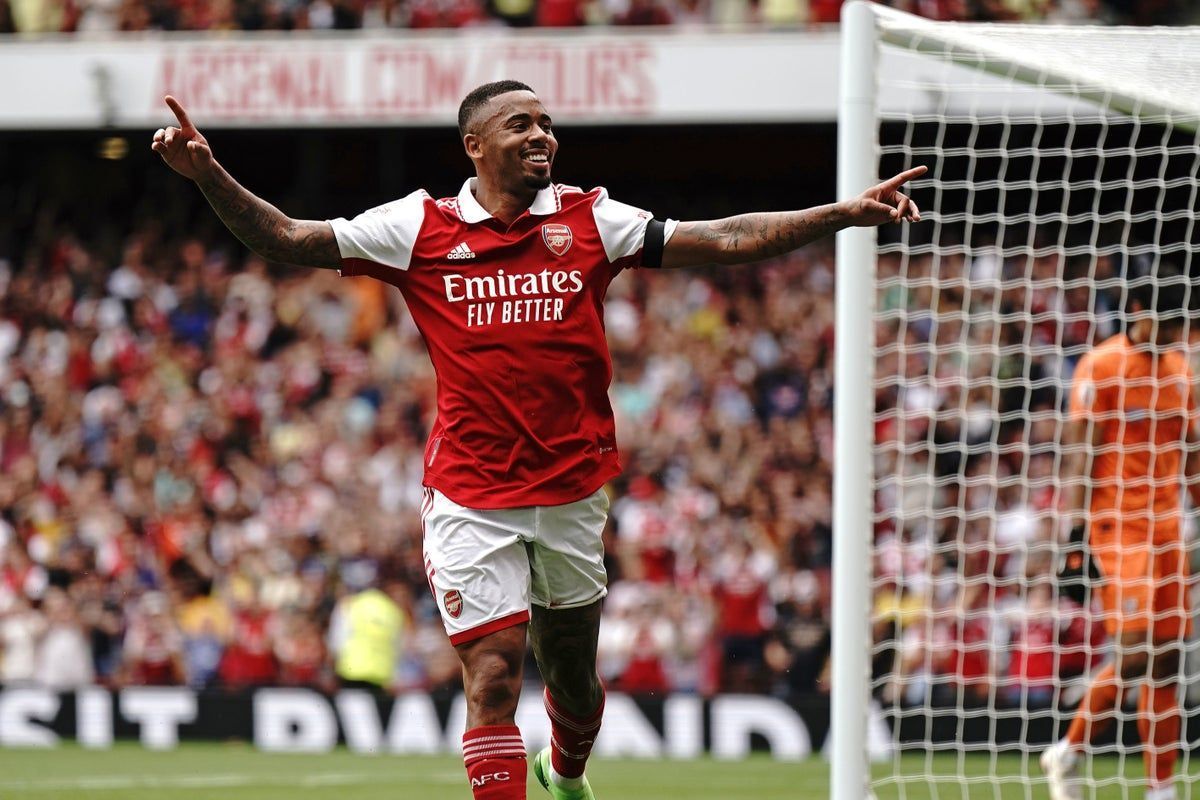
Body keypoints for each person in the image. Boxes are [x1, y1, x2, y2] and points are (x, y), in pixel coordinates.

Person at [152, 80, 924, 800]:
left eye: (547, 124)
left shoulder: (591, 219)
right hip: (470, 493)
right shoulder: (418, 227)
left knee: (574, 681)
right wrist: (208, 175)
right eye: (520, 124)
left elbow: (720, 240)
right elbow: (289, 236)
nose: (541, 136)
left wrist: (838, 214)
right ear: (474, 145)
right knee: (491, 676)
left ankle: (564, 771)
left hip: (571, 491)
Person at [1041, 265, 1199, 800]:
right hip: (1118, 531)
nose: (1177, 336)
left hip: (1168, 532)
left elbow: (1193, 459)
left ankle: (1161, 789)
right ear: (1137, 312)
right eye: (1169, 324)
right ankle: (1070, 750)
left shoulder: (1181, 373)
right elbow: (1081, 452)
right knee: (1135, 654)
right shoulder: (1101, 366)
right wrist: (1076, 533)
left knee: (1169, 660)